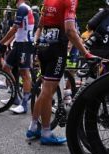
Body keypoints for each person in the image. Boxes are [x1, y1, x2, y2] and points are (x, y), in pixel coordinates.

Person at [27, 0, 94, 145]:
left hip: (44, 47)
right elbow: (70, 31)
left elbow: (40, 26)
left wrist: (36, 44)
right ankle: (46, 132)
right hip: (56, 50)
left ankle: (33, 127)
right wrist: (86, 53)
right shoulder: (70, 1)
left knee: (45, 90)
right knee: (48, 92)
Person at [0, 0, 35, 114]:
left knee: (24, 73)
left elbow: (13, 29)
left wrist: (1, 42)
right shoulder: (22, 9)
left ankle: (24, 105)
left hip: (25, 44)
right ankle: (15, 98)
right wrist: (6, 43)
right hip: (18, 44)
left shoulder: (23, 8)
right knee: (6, 68)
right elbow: (16, 31)